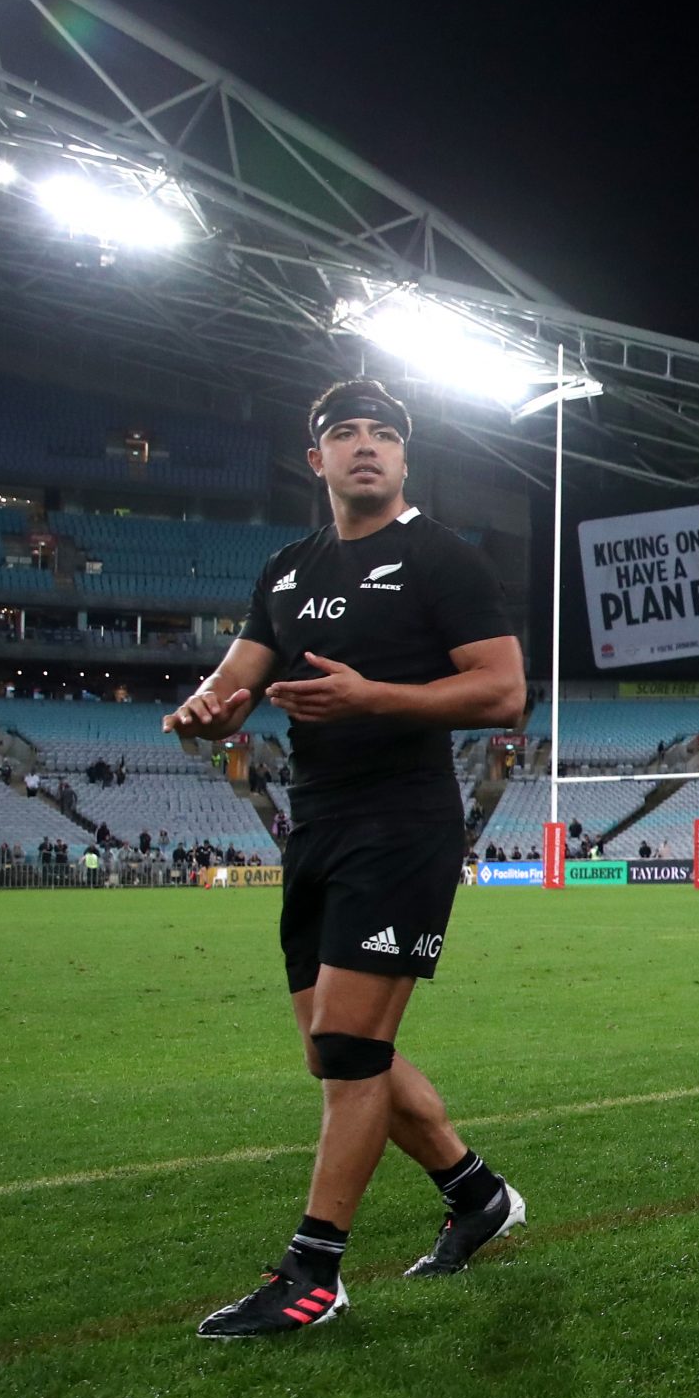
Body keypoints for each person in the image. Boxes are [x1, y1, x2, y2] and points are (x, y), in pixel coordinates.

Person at [167, 378, 529, 1340]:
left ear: (405, 459)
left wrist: (375, 698)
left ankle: (314, 1271)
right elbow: (239, 674)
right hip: (315, 822)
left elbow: (503, 693)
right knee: (333, 1051)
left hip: (403, 821)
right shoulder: (287, 568)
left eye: (384, 434)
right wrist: (207, 707)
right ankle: (476, 1191)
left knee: (351, 1049)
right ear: (315, 459)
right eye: (344, 434)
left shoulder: (441, 558)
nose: (365, 446)